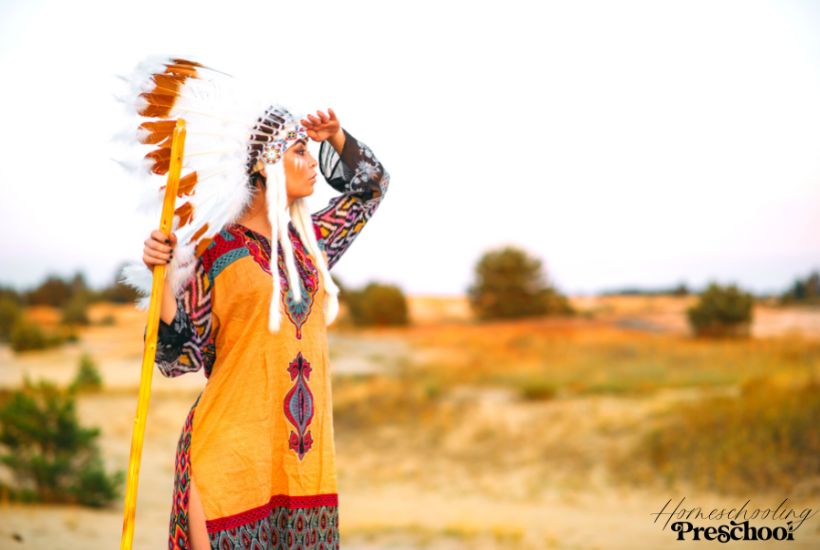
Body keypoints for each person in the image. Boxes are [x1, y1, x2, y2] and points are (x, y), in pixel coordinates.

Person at [141, 106, 389, 549]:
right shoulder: (215, 251)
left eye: (312, 153)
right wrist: (161, 280)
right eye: (299, 152)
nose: (312, 162)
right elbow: (181, 359)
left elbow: (371, 189)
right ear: (264, 164)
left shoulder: (312, 243)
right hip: (228, 458)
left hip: (302, 464)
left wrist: (335, 136)